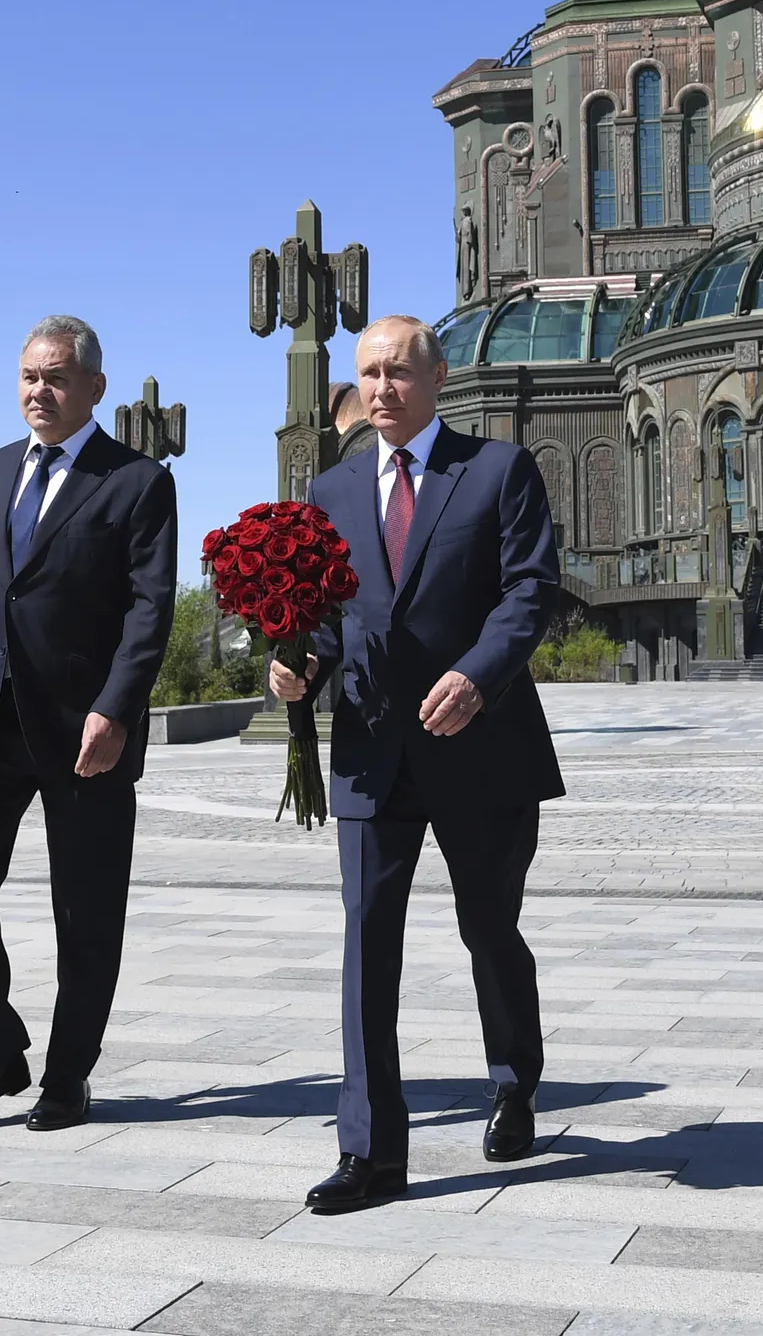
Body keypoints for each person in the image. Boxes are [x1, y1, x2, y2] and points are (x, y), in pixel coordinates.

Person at [270, 313, 562, 1212]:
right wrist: (297, 662)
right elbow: (322, 616)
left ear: (437, 377)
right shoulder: (332, 491)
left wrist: (478, 675)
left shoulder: (498, 470)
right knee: (368, 947)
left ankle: (514, 1078)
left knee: (489, 928)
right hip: (371, 750)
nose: (383, 388)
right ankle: (371, 1152)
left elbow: (531, 589)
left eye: (399, 370)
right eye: (369, 374)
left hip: (480, 744)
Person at [0, 317, 177, 1134]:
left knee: (86, 912)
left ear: (94, 387)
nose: (39, 391)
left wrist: (117, 708)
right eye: (29, 376)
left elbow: (149, 609)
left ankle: (68, 1076)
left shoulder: (136, 481)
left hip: (85, 732)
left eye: (56, 377)